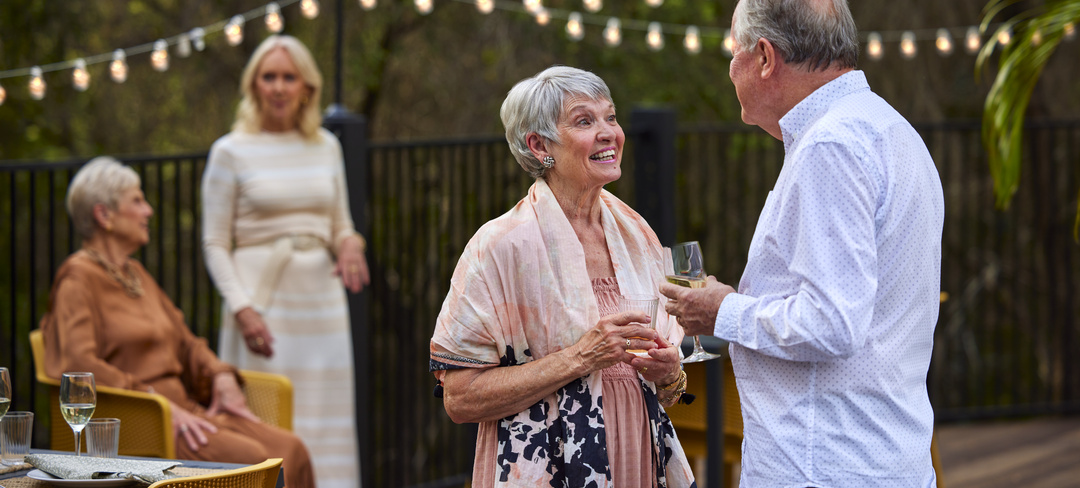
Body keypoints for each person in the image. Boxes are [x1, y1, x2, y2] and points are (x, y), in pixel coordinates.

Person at [659, 1, 945, 487]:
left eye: (734, 53)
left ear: (765, 58)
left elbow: (832, 324)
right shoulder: (889, 128)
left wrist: (723, 311)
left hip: (824, 464)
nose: (730, 71)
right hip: (881, 457)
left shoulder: (830, 146)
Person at [429, 66, 696, 488]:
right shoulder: (499, 246)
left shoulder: (638, 233)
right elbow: (459, 398)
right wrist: (580, 358)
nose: (609, 132)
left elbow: (667, 389)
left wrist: (668, 373)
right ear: (539, 146)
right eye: (585, 121)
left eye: (611, 117)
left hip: (636, 452)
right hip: (544, 465)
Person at [40, 157, 315, 488]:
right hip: (141, 421)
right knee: (253, 458)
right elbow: (78, 367)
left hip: (186, 414)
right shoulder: (77, 279)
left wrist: (220, 375)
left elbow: (186, 342)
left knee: (291, 449)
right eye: (137, 201)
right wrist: (157, 402)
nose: (148, 211)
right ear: (104, 215)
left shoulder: (135, 274)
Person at [201, 34, 367, 488]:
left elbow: (340, 225)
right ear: (253, 86)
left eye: (288, 77)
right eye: (268, 77)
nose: (278, 86)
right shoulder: (229, 151)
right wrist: (242, 308)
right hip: (260, 305)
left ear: (306, 88)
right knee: (267, 420)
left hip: (322, 306)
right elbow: (214, 243)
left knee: (325, 416)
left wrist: (352, 244)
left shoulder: (326, 147)